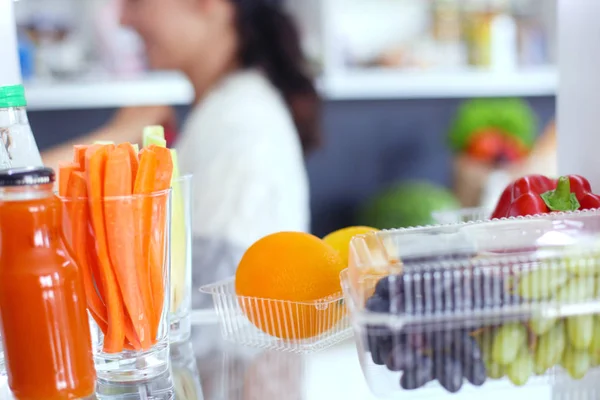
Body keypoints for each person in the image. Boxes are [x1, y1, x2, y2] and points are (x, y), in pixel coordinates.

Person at [42, 0, 320, 297]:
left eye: (137, 2)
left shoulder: (238, 120)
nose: (123, 20)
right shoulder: (225, 110)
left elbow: (216, 304)